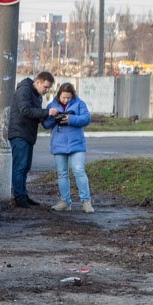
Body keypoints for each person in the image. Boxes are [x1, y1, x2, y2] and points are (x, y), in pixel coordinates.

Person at [7, 70, 55, 208]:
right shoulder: (25, 91)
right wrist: (47, 112)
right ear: (38, 82)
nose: (47, 90)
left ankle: (23, 195)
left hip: (27, 134)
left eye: (49, 88)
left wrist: (47, 118)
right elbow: (25, 110)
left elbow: (34, 114)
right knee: (20, 167)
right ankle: (19, 197)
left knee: (25, 167)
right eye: (45, 87)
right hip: (19, 133)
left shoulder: (36, 95)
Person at [43, 82, 94, 213]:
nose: (65, 100)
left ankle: (86, 201)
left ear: (73, 96)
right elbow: (46, 124)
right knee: (62, 173)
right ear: (59, 95)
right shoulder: (52, 105)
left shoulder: (80, 103)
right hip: (58, 145)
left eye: (68, 98)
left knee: (79, 171)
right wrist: (53, 116)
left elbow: (86, 119)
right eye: (63, 97)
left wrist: (70, 119)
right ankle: (65, 201)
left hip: (76, 144)